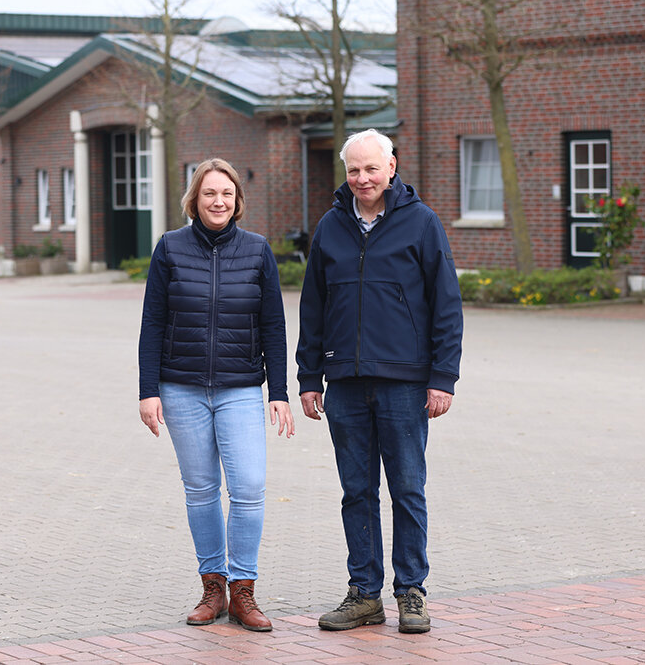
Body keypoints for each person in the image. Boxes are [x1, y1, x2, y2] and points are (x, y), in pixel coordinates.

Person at [296, 129, 463, 634]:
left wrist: (443, 377)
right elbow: (313, 306)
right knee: (356, 492)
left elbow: (446, 306)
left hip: (405, 384)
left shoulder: (422, 223)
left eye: (371, 168)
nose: (362, 179)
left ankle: (411, 591)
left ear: (392, 167)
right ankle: (364, 594)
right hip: (344, 382)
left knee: (408, 489)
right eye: (353, 170)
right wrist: (309, 375)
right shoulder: (330, 227)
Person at [138, 158, 295, 632]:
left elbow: (273, 324)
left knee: (247, 488)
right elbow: (152, 323)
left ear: (237, 200)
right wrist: (148, 391)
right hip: (180, 387)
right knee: (201, 491)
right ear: (194, 199)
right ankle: (213, 589)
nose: (218, 201)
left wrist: (280, 390)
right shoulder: (169, 248)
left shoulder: (257, 250)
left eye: (226, 193)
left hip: (241, 388)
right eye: (209, 193)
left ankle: (243, 591)